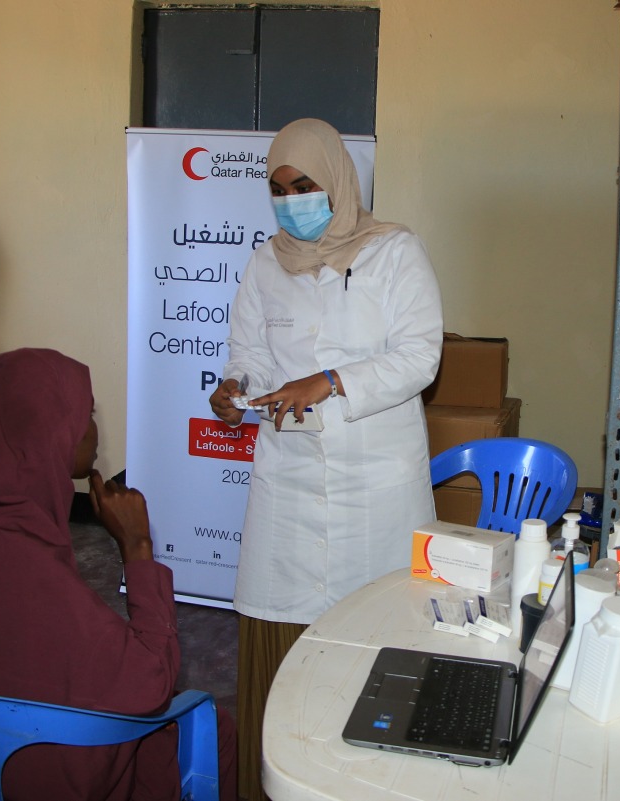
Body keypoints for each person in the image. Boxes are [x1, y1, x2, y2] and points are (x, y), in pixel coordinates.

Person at [0, 348, 238, 801]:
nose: (92, 430)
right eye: (84, 415)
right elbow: (149, 681)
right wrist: (138, 547)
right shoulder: (20, 563)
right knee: (209, 725)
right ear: (48, 429)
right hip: (10, 773)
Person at [208, 118, 443, 799]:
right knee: (284, 636)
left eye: (304, 185)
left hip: (378, 484)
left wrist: (333, 380)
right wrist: (234, 388)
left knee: (378, 636)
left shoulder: (395, 253)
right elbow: (248, 357)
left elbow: (420, 356)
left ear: (336, 182)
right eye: (278, 189)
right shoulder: (264, 262)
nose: (291, 202)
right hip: (290, 481)